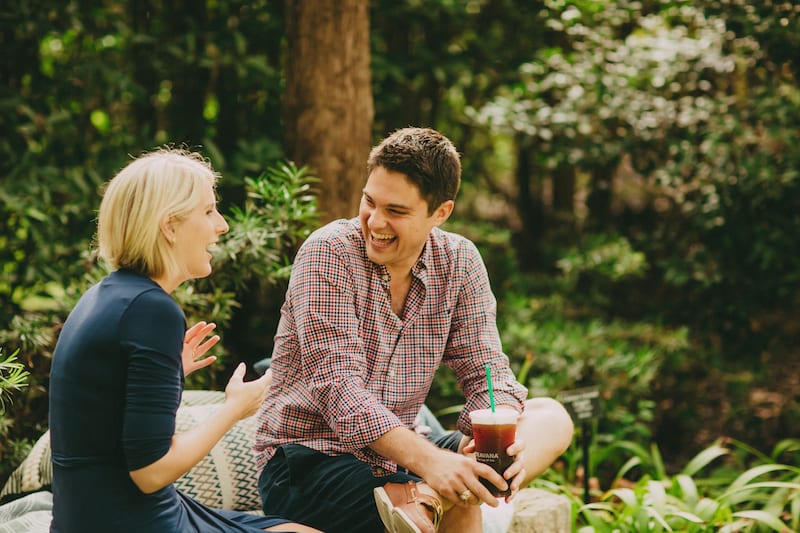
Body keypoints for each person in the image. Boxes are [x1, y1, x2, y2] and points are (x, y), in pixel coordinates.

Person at [254, 127, 574, 533]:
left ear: (440, 213)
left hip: (400, 461)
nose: (375, 221)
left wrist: (499, 441)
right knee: (461, 496)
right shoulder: (329, 252)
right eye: (369, 202)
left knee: (551, 417)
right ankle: (435, 494)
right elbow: (339, 389)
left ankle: (429, 497)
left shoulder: (459, 262)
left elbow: (486, 371)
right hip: (308, 465)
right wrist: (435, 464)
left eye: (397, 211)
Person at [48, 149, 320, 533]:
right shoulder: (151, 311)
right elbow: (150, 471)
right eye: (208, 212)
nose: (222, 225)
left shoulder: (104, 296)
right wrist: (234, 409)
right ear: (170, 226)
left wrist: (169, 372)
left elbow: (108, 421)